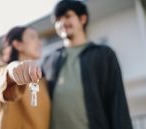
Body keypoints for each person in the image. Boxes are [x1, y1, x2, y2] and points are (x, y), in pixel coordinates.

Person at [7, 1, 133, 129]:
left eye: (67, 16)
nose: (62, 23)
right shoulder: (49, 60)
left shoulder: (104, 55)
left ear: (82, 19)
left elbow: (117, 102)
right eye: (57, 19)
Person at [0, 26, 50, 129]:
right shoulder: (3, 71)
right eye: (33, 37)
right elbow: (6, 76)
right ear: (18, 44)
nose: (39, 43)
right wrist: (15, 68)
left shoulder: (43, 81)